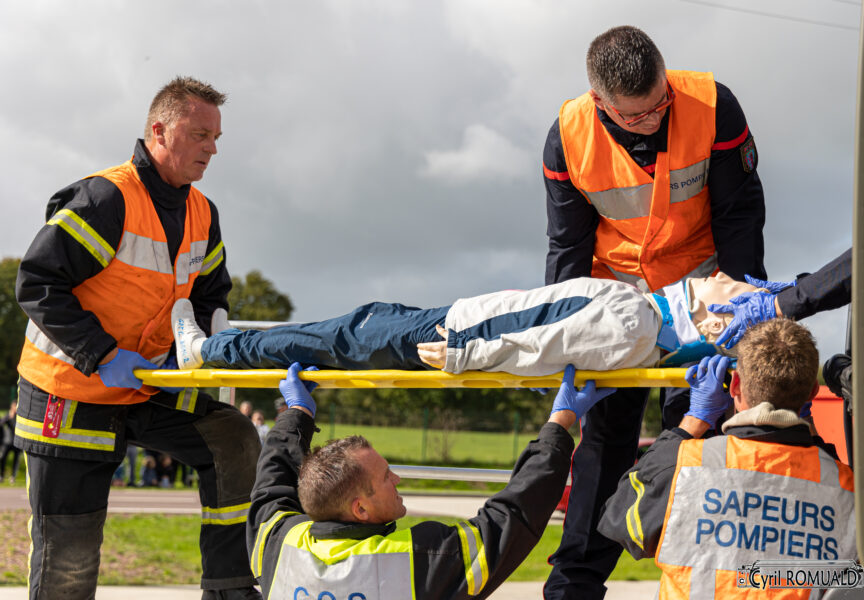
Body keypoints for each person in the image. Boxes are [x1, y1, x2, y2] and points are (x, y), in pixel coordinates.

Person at [541, 25, 767, 598]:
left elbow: (741, 217)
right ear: (601, 103)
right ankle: (573, 586)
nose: (654, 119)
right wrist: (562, 335)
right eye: (637, 115)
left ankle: (696, 582)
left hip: (701, 292)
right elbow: (567, 246)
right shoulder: (568, 136)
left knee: (694, 431)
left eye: (661, 104)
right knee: (604, 442)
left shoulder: (713, 107)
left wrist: (741, 310)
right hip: (616, 296)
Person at [14, 77, 262, 599]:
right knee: (68, 563)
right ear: (159, 131)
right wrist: (102, 354)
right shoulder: (105, 198)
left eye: (216, 138)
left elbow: (210, 294)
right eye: (200, 135)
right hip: (70, 390)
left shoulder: (203, 213)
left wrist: (202, 346)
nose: (212, 149)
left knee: (234, 439)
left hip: (147, 384)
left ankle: (230, 591)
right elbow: (37, 284)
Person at [247, 362, 615, 599]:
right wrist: (559, 424)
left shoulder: (279, 545)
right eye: (386, 477)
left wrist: (296, 413)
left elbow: (270, 485)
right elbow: (510, 519)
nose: (397, 477)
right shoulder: (413, 560)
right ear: (360, 509)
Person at [598, 319, 856, 598]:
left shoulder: (686, 466)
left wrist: (692, 422)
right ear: (813, 393)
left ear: (735, 385)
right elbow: (844, 580)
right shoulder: (844, 486)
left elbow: (620, 521)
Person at [173, 271, 763, 375]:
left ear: (715, 318)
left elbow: (541, 343)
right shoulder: (643, 325)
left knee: (334, 338)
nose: (720, 275)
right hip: (458, 328)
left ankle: (209, 351)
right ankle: (227, 343)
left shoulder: (634, 318)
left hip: (454, 336)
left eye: (733, 287)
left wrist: (467, 354)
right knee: (339, 334)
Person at [0, 401, 21, 484]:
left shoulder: (19, 417)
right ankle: (2, 475)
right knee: (3, 457)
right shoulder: (8, 416)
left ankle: (13, 476)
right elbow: (1, 423)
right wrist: (8, 417)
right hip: (7, 441)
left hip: (17, 442)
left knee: (16, 460)